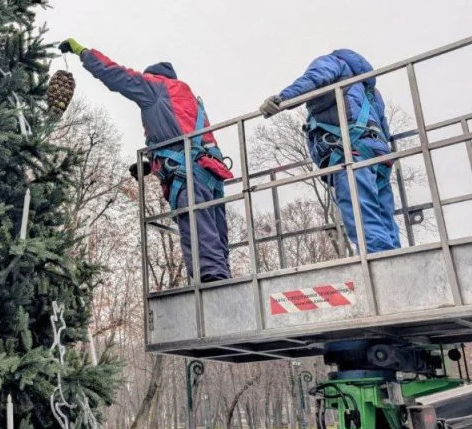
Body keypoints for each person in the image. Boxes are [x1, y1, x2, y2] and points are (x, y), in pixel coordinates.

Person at [59, 38, 233, 282]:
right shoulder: (189, 99)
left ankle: (213, 287)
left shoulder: (155, 88)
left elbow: (117, 75)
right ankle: (223, 279)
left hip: (190, 177)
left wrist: (83, 52)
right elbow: (178, 136)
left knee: (199, 237)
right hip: (210, 174)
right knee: (215, 237)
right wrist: (149, 165)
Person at [259, 49, 401, 253]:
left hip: (351, 153)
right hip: (379, 156)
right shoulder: (370, 91)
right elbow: (384, 127)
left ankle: (383, 268)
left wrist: (282, 99)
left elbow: (314, 78)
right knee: (384, 219)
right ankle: (398, 259)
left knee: (363, 217)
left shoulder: (333, 62)